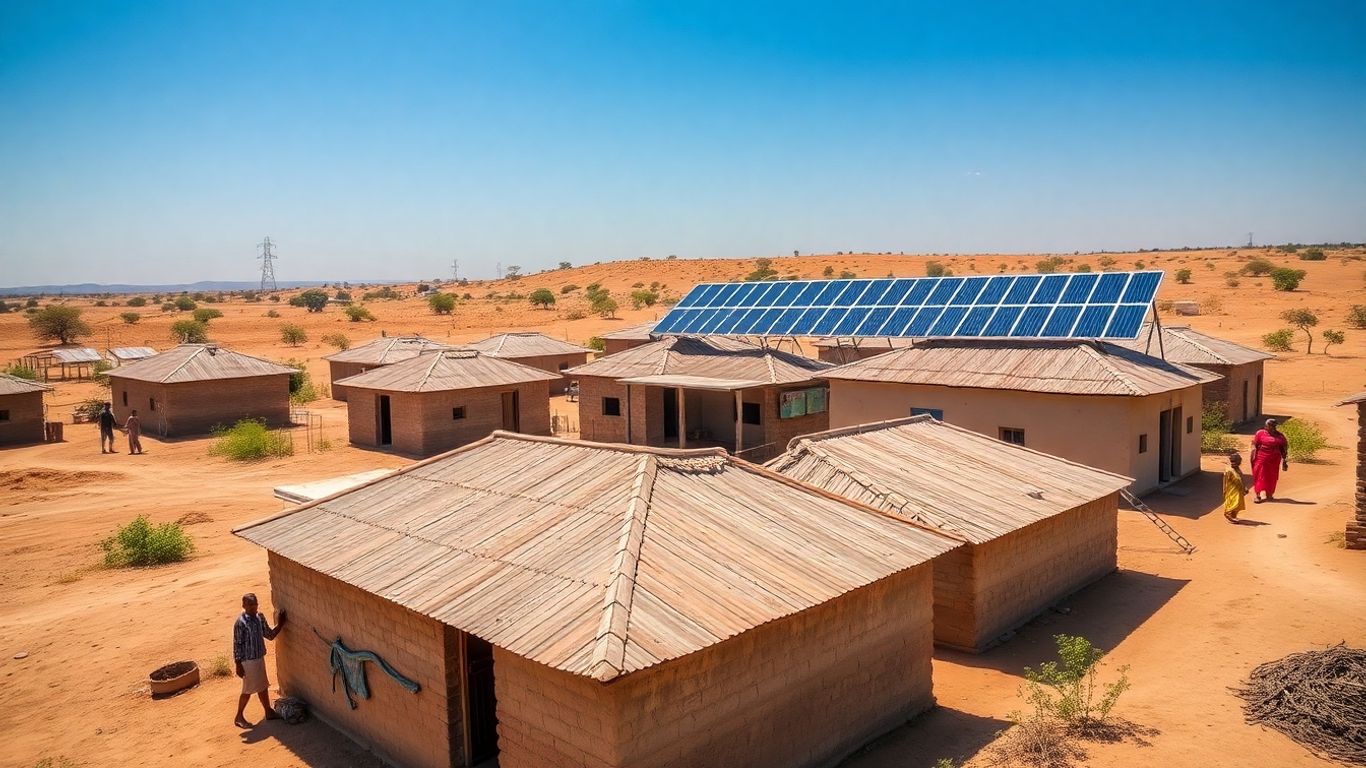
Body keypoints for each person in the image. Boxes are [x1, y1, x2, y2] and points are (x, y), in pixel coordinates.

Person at [233, 593, 286, 727]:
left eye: (254, 604)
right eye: (249, 605)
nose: (252, 607)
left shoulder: (259, 617)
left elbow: (269, 635)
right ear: (243, 606)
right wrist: (238, 664)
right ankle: (239, 716)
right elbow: (237, 644)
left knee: (262, 685)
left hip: (258, 658)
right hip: (248, 661)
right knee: (248, 689)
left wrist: (280, 625)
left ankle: (268, 711)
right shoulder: (241, 622)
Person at [1250, 418, 1290, 503]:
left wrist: (1284, 461)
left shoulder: (1280, 436)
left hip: (1274, 460)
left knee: (1272, 476)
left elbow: (1284, 448)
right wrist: (1253, 455)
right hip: (1261, 458)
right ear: (1266, 426)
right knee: (1259, 475)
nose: (1271, 428)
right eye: (1269, 426)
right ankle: (1258, 495)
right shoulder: (1260, 433)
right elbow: (1254, 444)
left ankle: (1269, 494)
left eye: (1273, 426)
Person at [1223, 452, 1246, 522]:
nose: (1236, 464)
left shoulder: (1238, 469)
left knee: (1239, 503)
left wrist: (1244, 487)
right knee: (1233, 502)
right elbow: (1225, 481)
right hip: (1232, 490)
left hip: (1239, 489)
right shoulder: (1229, 470)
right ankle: (1228, 513)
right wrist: (1225, 491)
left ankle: (1233, 515)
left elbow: (1241, 478)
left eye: (1238, 462)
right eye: (1233, 462)